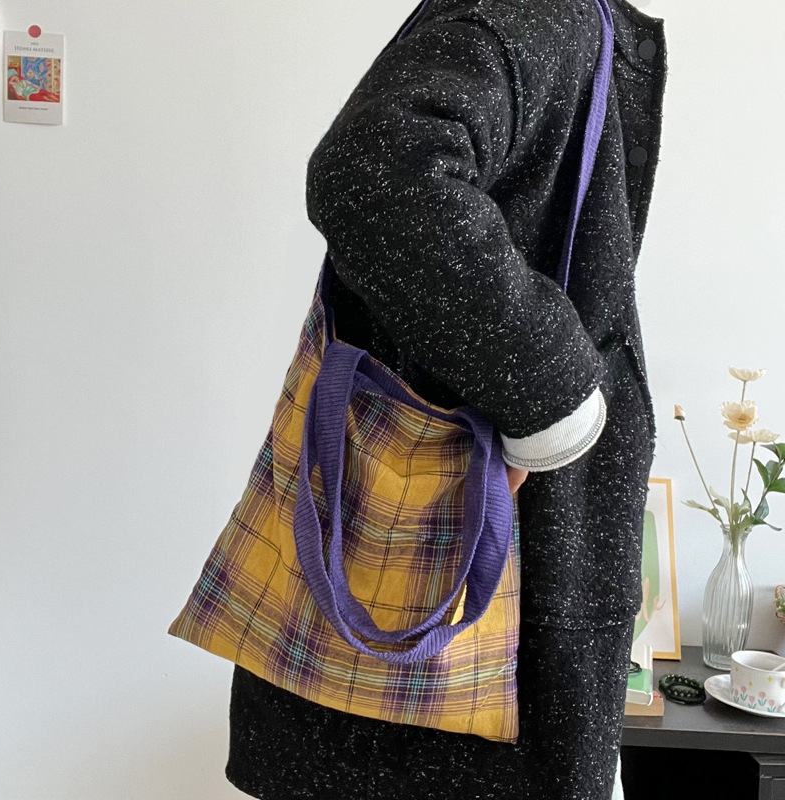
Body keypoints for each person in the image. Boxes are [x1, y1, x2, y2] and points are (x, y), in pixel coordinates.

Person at [225, 0, 667, 797]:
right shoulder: (543, 9)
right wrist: (555, 400)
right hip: (514, 596)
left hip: (474, 611)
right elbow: (372, 170)